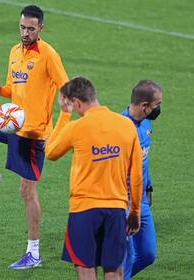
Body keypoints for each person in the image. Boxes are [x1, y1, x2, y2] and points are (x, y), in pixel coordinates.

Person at [0, 5, 68, 270]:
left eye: (31, 28)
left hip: (33, 134)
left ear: (41, 28)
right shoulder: (14, 52)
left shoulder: (49, 55)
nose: (25, 32)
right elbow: (16, 90)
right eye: (22, 27)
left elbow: (68, 96)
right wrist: (1, 90)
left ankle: (34, 253)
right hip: (11, 123)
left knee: (27, 191)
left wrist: (59, 132)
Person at [45, 76, 143, 280]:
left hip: (83, 210)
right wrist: (134, 210)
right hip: (116, 209)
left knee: (86, 269)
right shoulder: (126, 125)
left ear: (77, 103)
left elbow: (51, 152)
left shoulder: (77, 127)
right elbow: (136, 175)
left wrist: (64, 114)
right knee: (114, 270)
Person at [121, 80, 162, 279]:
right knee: (126, 257)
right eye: (157, 105)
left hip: (141, 202)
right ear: (144, 106)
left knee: (147, 254)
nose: (158, 109)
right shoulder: (119, 128)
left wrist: (149, 185)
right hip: (122, 202)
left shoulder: (147, 122)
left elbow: (143, 159)